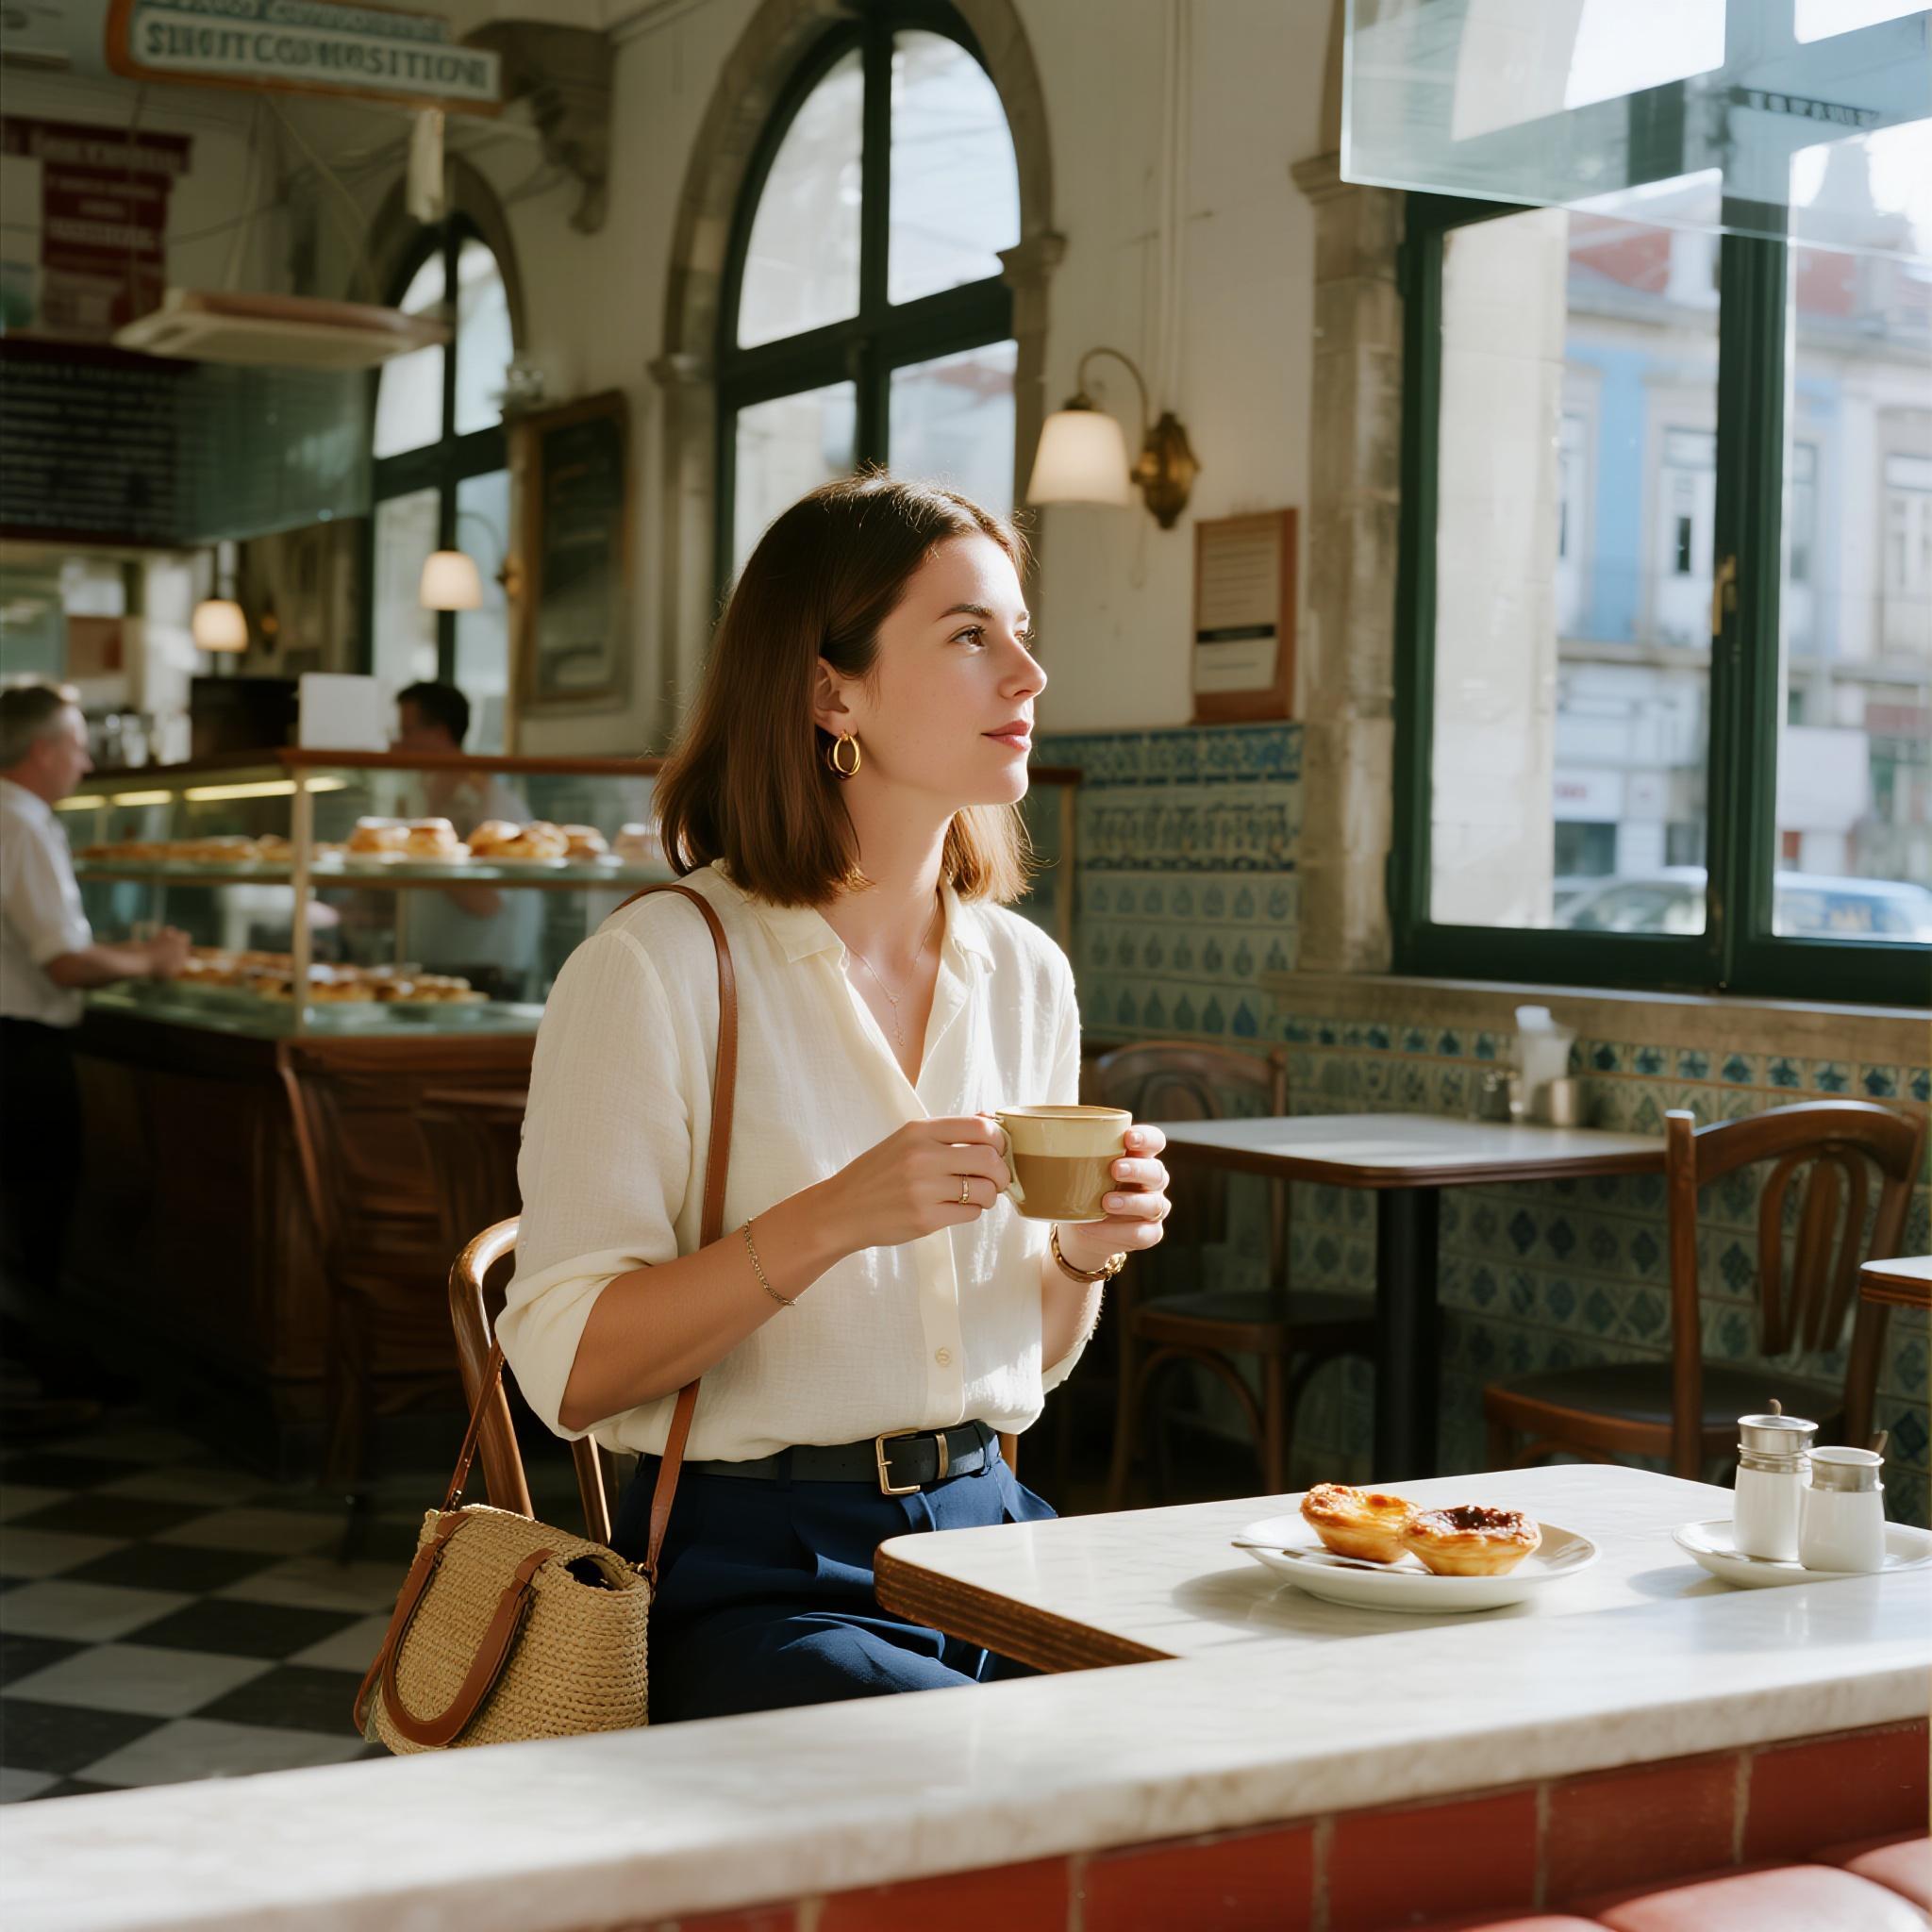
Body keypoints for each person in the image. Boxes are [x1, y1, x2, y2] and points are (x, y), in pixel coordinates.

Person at [499, 476, 1174, 1723]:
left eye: (1021, 633)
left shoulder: (1025, 973)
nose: (1028, 674)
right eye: (972, 634)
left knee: (1210, 1731)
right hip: (752, 1570)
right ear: (829, 692)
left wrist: (1081, 1255)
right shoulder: (660, 966)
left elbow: (1020, 1355)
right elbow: (569, 1372)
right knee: (984, 1765)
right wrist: (830, 1218)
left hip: (992, 1539)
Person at [0, 682, 189, 1425]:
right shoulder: (22, 822)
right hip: (19, 1049)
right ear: (43, 750)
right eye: (77, 745)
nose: (84, 761)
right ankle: (56, 1382)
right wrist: (153, 961)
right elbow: (63, 962)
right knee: (32, 1217)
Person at [388, 680, 539, 998]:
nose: (397, 745)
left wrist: (432, 848)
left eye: (407, 732)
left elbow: (485, 901)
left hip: (486, 978)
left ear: (440, 733)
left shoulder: (492, 802)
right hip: (429, 969)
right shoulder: (416, 794)